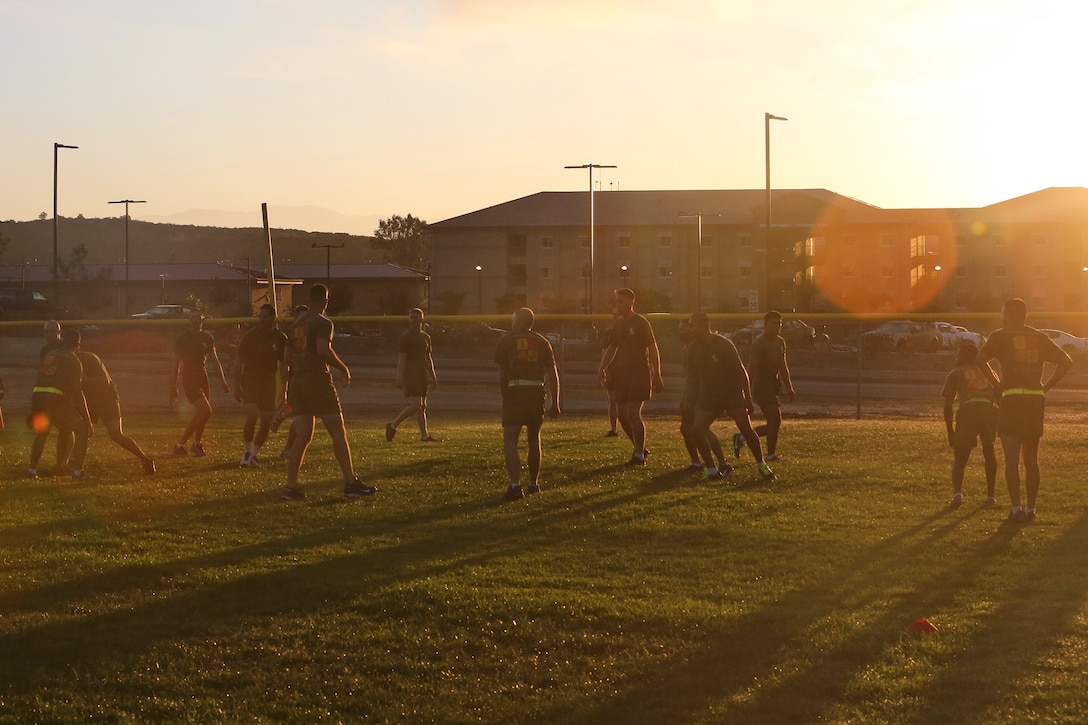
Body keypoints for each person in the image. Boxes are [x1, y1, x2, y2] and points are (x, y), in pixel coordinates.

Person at [976, 297, 1072, 522]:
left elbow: (980, 359)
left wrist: (997, 383)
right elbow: (1066, 361)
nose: (1001, 318)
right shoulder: (1039, 336)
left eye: (1003, 314)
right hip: (1034, 399)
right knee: (1031, 458)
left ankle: (1016, 509)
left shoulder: (1000, 336)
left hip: (1012, 397)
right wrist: (1046, 386)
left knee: (1011, 458)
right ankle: (1031, 509)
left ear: (1009, 315)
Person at [281, 284, 376, 500]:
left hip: (298, 380)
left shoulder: (296, 325)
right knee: (337, 431)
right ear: (325, 301)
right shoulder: (323, 322)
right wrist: (343, 367)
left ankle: (291, 486)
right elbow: (323, 350)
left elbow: (286, 358)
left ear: (309, 298)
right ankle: (350, 483)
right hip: (316, 379)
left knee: (303, 436)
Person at [687, 312, 775, 481]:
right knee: (697, 430)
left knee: (745, 428)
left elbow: (740, 371)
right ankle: (712, 470)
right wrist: (689, 400)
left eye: (692, 325)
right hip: (709, 395)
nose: (690, 329)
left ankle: (761, 464)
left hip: (731, 393)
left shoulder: (723, 344)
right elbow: (692, 378)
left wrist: (747, 397)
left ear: (703, 326)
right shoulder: (693, 349)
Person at [494, 307, 560, 500]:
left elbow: (502, 374)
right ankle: (533, 483)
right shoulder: (543, 342)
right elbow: (553, 375)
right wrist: (555, 402)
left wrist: (505, 395)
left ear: (517, 322)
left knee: (510, 442)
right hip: (536, 392)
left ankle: (515, 485)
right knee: (534, 439)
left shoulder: (506, 341)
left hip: (515, 391)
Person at [597, 288, 663, 466]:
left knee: (634, 413)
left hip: (639, 372)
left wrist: (657, 374)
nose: (618, 304)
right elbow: (612, 348)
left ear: (631, 302)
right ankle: (639, 448)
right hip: (621, 373)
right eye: (616, 301)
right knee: (622, 415)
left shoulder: (641, 322)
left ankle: (639, 456)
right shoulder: (618, 325)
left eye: (621, 301)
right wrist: (602, 368)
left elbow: (653, 348)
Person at [77, 347, 157, 475]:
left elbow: (105, 381)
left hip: (106, 399)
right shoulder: (66, 360)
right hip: (90, 401)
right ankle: (75, 466)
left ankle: (145, 459)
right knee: (79, 430)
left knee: (116, 434)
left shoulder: (89, 358)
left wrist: (85, 382)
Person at [28, 329, 91, 479]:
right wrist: (87, 418)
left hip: (38, 396)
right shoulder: (73, 360)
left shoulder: (50, 354)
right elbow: (77, 392)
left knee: (43, 433)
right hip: (55, 399)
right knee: (82, 429)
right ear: (78, 345)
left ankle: (32, 470)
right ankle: (78, 472)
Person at [734, 311, 796, 462]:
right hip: (761, 385)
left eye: (779, 323)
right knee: (775, 418)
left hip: (772, 384)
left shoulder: (780, 342)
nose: (777, 326)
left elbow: (783, 367)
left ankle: (742, 437)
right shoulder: (760, 342)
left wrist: (790, 388)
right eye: (774, 323)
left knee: (774, 422)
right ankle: (770, 455)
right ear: (765, 325)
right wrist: (746, 389)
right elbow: (752, 367)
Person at [942, 343, 997, 509]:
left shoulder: (956, 373)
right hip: (988, 410)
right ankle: (990, 496)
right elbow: (999, 393)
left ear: (964, 356)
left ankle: (957, 494)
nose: (957, 358)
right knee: (989, 451)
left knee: (961, 457)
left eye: (959, 355)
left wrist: (950, 431)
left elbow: (948, 405)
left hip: (968, 411)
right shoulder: (989, 371)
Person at [234, 303, 288, 467]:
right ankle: (246, 453)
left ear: (273, 318)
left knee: (266, 421)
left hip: (268, 382)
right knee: (252, 416)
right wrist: (237, 386)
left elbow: (284, 365)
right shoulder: (250, 337)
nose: (261, 320)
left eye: (264, 317)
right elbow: (238, 363)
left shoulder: (280, 338)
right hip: (250, 380)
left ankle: (254, 456)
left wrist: (284, 390)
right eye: (259, 316)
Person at [170, 309, 229, 456]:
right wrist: (173, 386)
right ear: (189, 320)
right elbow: (176, 364)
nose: (195, 320)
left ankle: (181, 445)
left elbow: (215, 361)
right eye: (192, 317)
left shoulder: (207, 338)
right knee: (206, 410)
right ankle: (195, 444)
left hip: (202, 376)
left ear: (203, 320)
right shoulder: (182, 338)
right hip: (189, 377)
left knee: (200, 414)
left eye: (198, 317)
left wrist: (223, 380)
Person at [678, 318, 731, 478]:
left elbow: (698, 377)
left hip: (701, 394)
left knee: (700, 430)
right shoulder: (690, 348)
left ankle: (722, 463)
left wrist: (690, 397)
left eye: (684, 329)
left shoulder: (701, 347)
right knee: (687, 428)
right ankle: (696, 462)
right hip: (693, 392)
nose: (681, 332)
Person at [385, 307, 438, 443]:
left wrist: (433, 376)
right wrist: (400, 376)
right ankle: (393, 425)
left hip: (421, 375)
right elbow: (402, 358)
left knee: (422, 407)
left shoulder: (426, 337)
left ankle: (424, 435)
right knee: (416, 405)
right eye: (411, 317)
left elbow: (428, 358)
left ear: (422, 319)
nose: (413, 320)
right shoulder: (406, 336)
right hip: (411, 374)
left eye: (416, 317)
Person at [601, 311, 622, 438]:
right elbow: (604, 352)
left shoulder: (632, 329)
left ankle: (630, 427)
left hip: (627, 369)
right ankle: (613, 429)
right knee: (613, 400)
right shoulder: (609, 332)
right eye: (615, 314)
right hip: (613, 369)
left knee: (626, 402)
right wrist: (605, 369)